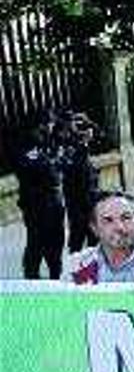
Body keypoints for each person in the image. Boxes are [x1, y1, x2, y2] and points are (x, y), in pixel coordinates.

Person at [16, 113, 66, 279]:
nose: (52, 127)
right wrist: (54, 162)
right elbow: (50, 172)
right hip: (37, 205)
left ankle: (54, 276)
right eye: (49, 123)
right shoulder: (27, 145)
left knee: (56, 242)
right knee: (37, 243)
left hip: (52, 201)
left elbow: (59, 167)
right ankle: (32, 279)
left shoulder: (48, 142)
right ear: (40, 125)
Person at [60, 113, 100, 253]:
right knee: (78, 237)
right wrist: (82, 143)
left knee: (94, 237)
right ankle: (75, 267)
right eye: (69, 122)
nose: (73, 125)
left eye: (73, 121)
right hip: (77, 198)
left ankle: (91, 268)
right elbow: (73, 165)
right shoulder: (62, 142)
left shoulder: (77, 138)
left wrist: (89, 121)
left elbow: (102, 137)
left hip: (89, 195)